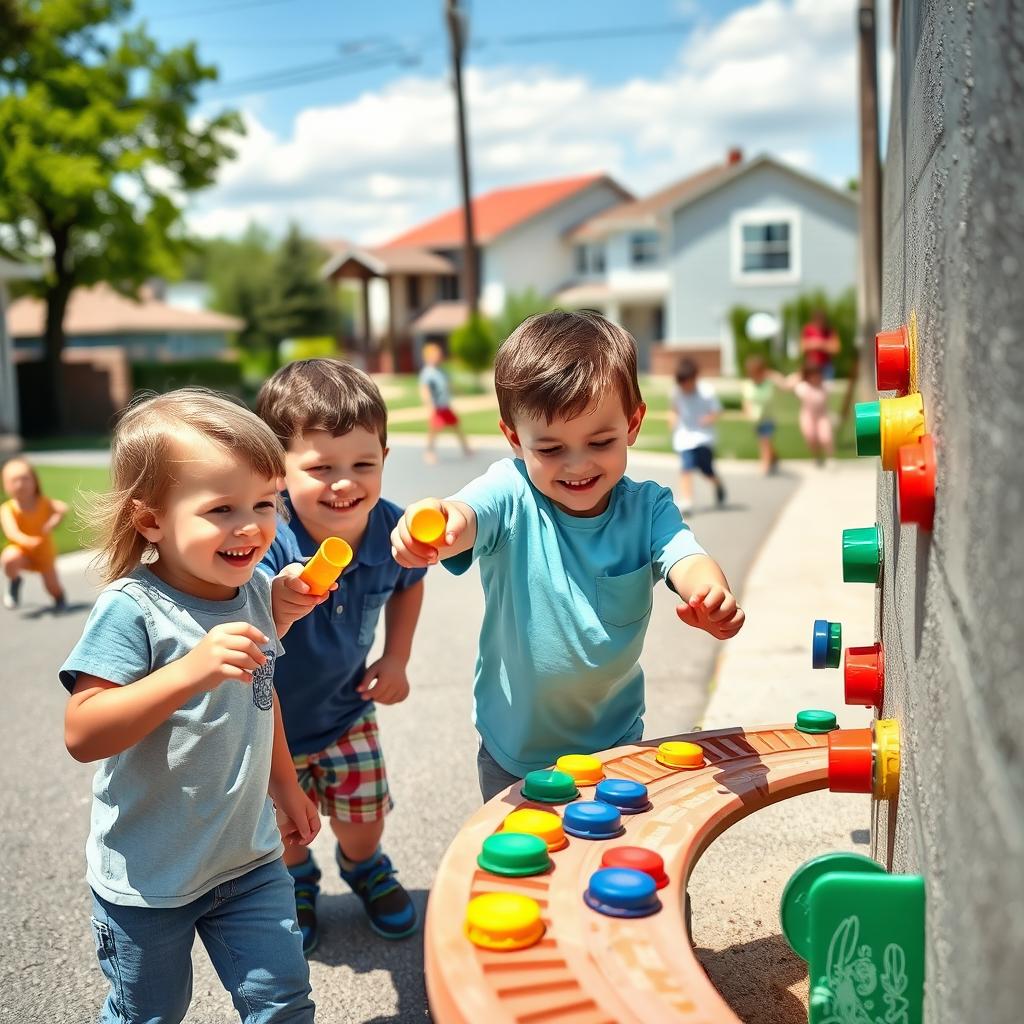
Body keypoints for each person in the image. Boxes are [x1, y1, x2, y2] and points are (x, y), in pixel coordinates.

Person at [390, 310, 745, 801]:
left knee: (611, 859)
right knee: (521, 866)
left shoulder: (647, 507)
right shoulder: (510, 491)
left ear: (634, 423)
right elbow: (464, 515)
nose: (578, 465)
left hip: (614, 741)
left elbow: (686, 556)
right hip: (512, 748)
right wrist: (433, 524)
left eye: (600, 442)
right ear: (515, 437)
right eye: (551, 449)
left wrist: (710, 593)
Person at [60, 389, 322, 1024]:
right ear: (151, 520)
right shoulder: (133, 608)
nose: (252, 527)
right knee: (148, 1014)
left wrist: (286, 786)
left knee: (283, 1003)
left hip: (249, 857)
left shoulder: (255, 590)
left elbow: (262, 700)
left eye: (266, 503)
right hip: (151, 877)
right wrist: (189, 671)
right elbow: (83, 732)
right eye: (221, 509)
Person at [256, 359, 426, 953]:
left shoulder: (391, 528)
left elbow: (409, 582)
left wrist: (397, 657)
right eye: (320, 467)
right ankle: (296, 880)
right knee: (287, 827)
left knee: (363, 817)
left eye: (363, 464)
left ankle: (364, 866)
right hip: (271, 724)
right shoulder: (266, 542)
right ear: (276, 471)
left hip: (347, 711)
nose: (344, 483)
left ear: (384, 455)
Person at [1, 456, 67, 610]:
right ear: (5, 485)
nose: (20, 484)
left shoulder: (43, 502)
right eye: (14, 480)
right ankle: (14, 581)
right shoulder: (8, 508)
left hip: (43, 553)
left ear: (34, 481)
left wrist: (53, 522)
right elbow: (12, 533)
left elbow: (62, 508)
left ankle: (59, 597)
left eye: (25, 479)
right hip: (22, 552)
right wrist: (27, 541)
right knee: (8, 559)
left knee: (52, 586)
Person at [668, 357, 727, 515]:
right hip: (685, 437)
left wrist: (708, 419)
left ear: (694, 378)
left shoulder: (706, 391)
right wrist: (672, 419)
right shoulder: (676, 392)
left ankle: (717, 483)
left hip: (703, 437)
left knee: (706, 470)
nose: (684, 387)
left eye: (687, 382)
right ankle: (687, 500)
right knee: (686, 467)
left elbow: (717, 411)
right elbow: (674, 409)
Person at [419, 341, 471, 463]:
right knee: (434, 430)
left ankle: (466, 448)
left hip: (445, 406)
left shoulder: (442, 371)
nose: (439, 358)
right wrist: (429, 404)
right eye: (436, 355)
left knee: (456, 426)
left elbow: (448, 385)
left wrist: (460, 392)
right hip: (436, 407)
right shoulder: (428, 373)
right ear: (429, 357)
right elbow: (425, 389)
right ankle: (429, 452)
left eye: (439, 355)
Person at [776, 363, 834, 466]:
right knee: (811, 437)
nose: (815, 378)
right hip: (808, 415)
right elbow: (786, 385)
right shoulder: (802, 387)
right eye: (812, 375)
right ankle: (817, 457)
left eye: (817, 375)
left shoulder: (824, 386)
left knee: (826, 437)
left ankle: (830, 458)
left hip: (822, 415)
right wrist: (799, 375)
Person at [742, 354, 781, 475]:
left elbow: (784, 384)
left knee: (765, 441)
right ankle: (774, 457)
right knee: (764, 442)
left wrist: (772, 374)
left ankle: (765, 466)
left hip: (768, 418)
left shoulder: (769, 383)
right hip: (756, 420)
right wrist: (747, 413)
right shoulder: (748, 385)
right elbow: (746, 401)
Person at [800, 309, 841, 380]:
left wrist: (820, 344)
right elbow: (802, 347)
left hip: (826, 366)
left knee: (826, 388)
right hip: (811, 366)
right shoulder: (807, 330)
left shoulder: (830, 331)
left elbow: (836, 349)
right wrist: (815, 344)